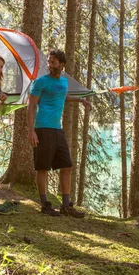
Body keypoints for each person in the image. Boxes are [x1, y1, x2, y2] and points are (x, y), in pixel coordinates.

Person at [27, 49, 91, 218]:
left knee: (67, 166)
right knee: (43, 168)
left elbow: (63, 96)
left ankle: (65, 206)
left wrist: (81, 100)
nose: (50, 65)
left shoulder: (63, 82)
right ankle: (45, 204)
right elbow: (31, 105)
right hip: (42, 128)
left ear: (62, 64)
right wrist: (31, 130)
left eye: (53, 62)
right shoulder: (40, 82)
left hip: (57, 129)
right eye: (49, 62)